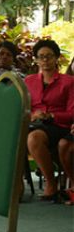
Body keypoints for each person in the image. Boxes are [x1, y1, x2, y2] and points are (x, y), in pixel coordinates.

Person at [23, 39, 74, 202]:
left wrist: (51, 116)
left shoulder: (69, 82)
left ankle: (51, 184)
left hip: (60, 125)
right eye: (41, 57)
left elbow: (72, 113)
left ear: (56, 58)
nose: (45, 60)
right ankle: (14, 186)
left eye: (49, 56)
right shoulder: (28, 81)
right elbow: (24, 108)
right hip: (34, 123)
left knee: (34, 138)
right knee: (14, 136)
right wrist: (33, 115)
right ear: (36, 59)